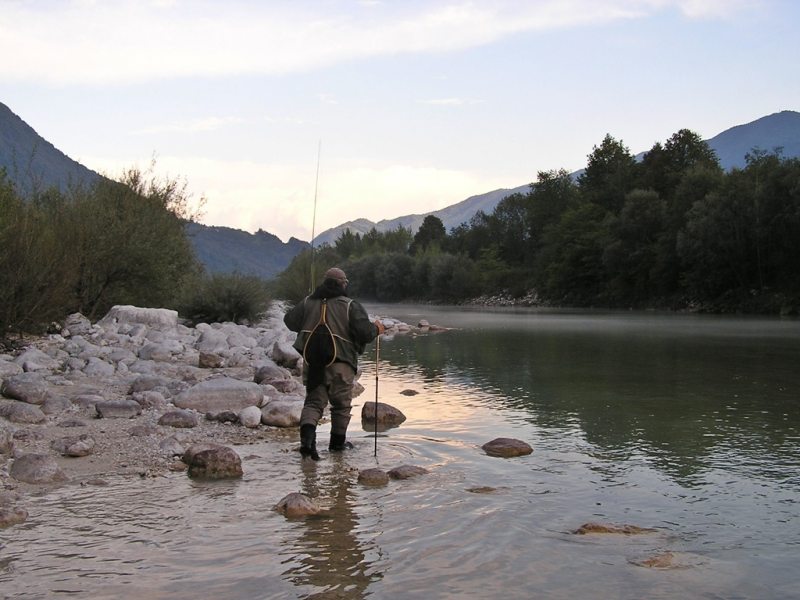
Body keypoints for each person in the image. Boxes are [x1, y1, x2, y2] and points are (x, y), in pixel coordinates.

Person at [284, 267, 384, 460]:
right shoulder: (350, 305)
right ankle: (337, 448)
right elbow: (366, 333)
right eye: (345, 283)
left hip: (314, 364)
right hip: (342, 365)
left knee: (313, 403)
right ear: (343, 284)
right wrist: (377, 328)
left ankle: (307, 444)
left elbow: (289, 321)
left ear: (324, 282)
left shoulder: (307, 302)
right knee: (340, 406)